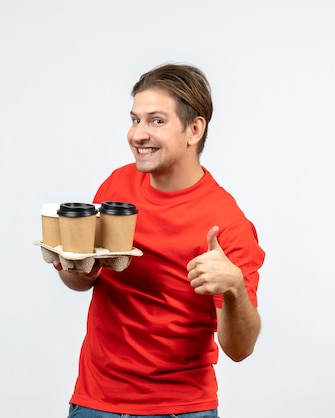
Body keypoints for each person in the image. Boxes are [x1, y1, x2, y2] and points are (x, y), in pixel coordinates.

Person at [53, 63, 265, 417]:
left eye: (156, 121)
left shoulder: (227, 224)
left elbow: (240, 349)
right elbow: (83, 281)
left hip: (180, 409)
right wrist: (74, 265)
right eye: (135, 120)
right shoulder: (116, 186)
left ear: (194, 129)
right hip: (94, 401)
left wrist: (235, 289)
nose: (137, 134)